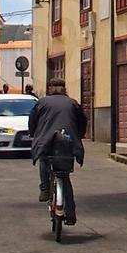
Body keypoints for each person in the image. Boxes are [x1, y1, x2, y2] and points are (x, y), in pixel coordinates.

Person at [28, 77, 87, 225]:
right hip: (68, 143)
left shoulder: (42, 103)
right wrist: (78, 136)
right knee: (64, 176)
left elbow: (32, 121)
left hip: (46, 141)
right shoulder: (72, 103)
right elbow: (82, 122)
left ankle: (45, 188)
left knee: (44, 159)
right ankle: (71, 211)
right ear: (64, 89)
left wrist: (33, 133)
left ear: (50, 89)